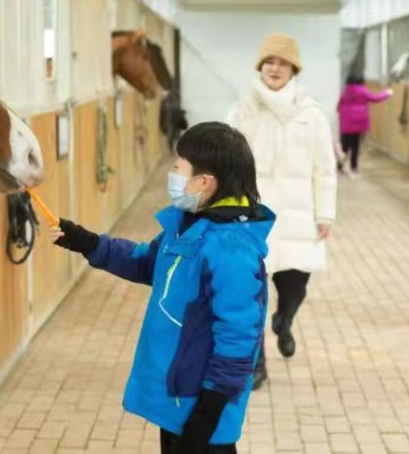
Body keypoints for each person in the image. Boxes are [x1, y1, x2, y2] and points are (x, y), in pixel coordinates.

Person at [50, 122, 274, 454]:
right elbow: (147, 262)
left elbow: (240, 336)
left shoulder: (230, 249)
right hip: (178, 399)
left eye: (177, 166)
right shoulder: (188, 225)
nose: (172, 173)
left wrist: (207, 414)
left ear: (204, 182)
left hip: (202, 409)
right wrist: (90, 243)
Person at [229, 32, 337, 389]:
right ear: (261, 67)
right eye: (269, 62)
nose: (275, 69)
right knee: (250, 293)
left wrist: (326, 215)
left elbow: (324, 167)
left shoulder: (311, 114)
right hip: (253, 217)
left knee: (295, 287)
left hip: (298, 215)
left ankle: (284, 321)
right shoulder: (242, 110)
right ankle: (257, 362)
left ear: (294, 69)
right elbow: (226, 162)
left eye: (283, 63)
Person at [336, 74, 393, 177]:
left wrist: (344, 116)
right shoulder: (362, 90)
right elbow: (375, 98)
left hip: (346, 124)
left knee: (344, 147)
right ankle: (354, 169)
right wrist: (387, 93)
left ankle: (339, 168)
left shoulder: (345, 91)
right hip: (358, 124)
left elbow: (339, 106)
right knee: (355, 147)